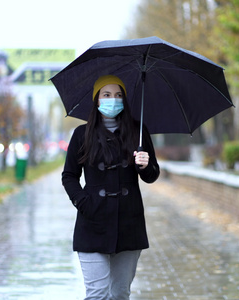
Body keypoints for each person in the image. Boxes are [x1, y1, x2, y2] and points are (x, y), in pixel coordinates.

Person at [62, 75, 160, 299]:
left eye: (118, 95)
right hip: (92, 223)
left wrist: (145, 166)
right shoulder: (81, 134)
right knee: (97, 294)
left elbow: (152, 175)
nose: (112, 100)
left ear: (124, 100)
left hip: (129, 223)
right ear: (97, 100)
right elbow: (69, 176)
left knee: (120, 294)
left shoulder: (138, 131)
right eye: (106, 95)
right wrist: (84, 203)